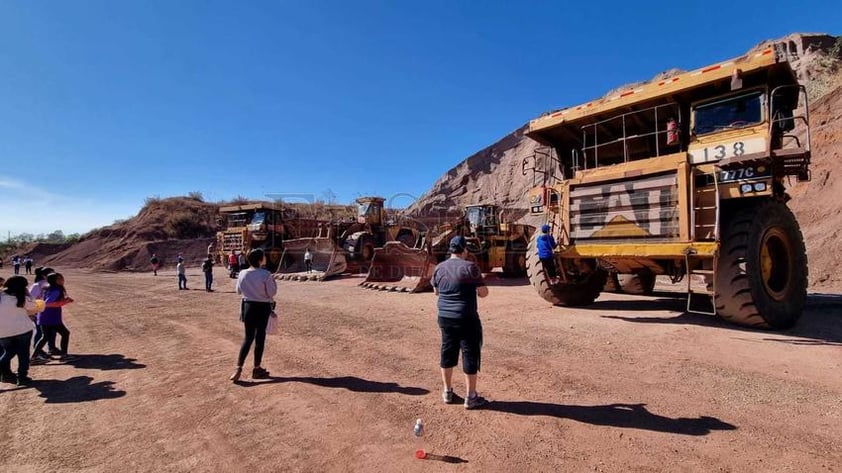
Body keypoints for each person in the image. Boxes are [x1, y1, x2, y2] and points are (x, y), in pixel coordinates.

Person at [431, 235, 489, 409]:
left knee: (447, 352)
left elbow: (436, 292)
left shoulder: (439, 268)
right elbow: (483, 293)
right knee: (469, 354)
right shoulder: (471, 267)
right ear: (464, 250)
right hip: (466, 318)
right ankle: (471, 397)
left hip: (445, 318)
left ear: (451, 250)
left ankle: (447, 392)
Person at [230, 248, 277, 382]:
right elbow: (271, 293)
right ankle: (257, 368)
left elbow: (238, 291)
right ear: (260, 259)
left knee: (248, 337)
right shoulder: (266, 274)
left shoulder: (242, 273)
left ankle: (238, 367)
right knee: (260, 338)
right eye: (263, 256)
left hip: (248, 307)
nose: (265, 258)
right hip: (262, 308)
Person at [0, 276, 37, 385]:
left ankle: (4, 371)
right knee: (23, 354)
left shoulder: (1, 296)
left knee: (8, 352)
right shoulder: (21, 298)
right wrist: (28, 294)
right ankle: (22, 377)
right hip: (23, 330)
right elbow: (34, 306)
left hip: (3, 332)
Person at [32, 272, 75, 363]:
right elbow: (48, 303)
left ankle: (34, 358)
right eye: (59, 279)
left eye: (62, 278)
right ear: (54, 281)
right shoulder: (56, 290)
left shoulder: (47, 289)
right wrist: (65, 302)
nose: (62, 280)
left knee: (45, 337)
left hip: (44, 315)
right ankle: (64, 355)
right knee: (65, 333)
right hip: (51, 317)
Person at [29, 267, 59, 356]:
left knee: (52, 331)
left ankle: (52, 348)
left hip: (49, 312)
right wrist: (32, 312)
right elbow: (31, 299)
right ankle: (38, 351)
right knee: (40, 332)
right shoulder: (37, 286)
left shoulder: (51, 285)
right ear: (43, 275)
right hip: (39, 312)